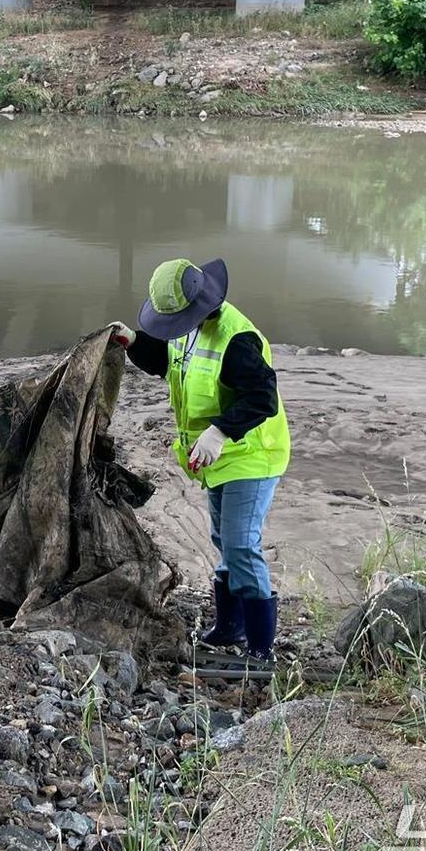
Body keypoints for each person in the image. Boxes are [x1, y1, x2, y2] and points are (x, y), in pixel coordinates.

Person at [111, 258, 290, 660]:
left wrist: (220, 431)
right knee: (224, 540)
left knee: (241, 545)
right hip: (218, 459)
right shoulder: (188, 329)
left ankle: (261, 650)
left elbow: (262, 397)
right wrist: (134, 342)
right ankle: (230, 628)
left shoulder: (236, 340)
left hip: (251, 454)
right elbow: (168, 363)